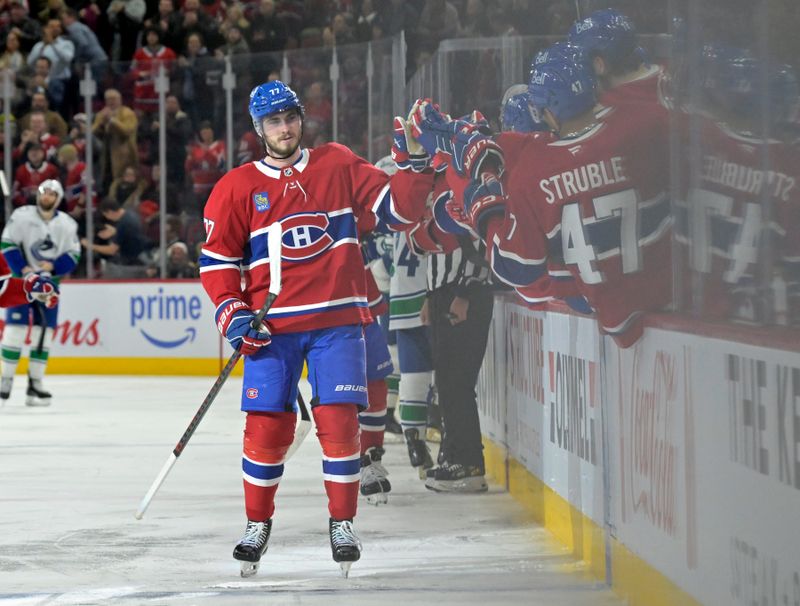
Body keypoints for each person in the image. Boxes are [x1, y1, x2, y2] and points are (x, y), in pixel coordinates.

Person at [198, 80, 431, 577]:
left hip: (337, 321)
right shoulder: (236, 187)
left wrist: (413, 164)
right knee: (266, 427)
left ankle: (342, 522)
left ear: (301, 118)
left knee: (339, 423)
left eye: (291, 117)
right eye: (274, 121)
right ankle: (257, 523)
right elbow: (217, 264)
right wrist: (233, 314)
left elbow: (400, 211)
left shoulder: (338, 162)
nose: (285, 128)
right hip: (272, 328)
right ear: (259, 130)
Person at [411, 52, 672, 347]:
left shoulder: (536, 170)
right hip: (669, 301)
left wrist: (477, 194)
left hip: (588, 301)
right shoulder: (635, 129)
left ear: (547, 108)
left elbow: (518, 269)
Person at [0, 180, 78, 406]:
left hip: (47, 285)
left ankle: (36, 384)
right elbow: (7, 244)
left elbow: (73, 254)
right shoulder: (22, 215)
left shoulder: (67, 224)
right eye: (44, 192)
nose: (47, 196)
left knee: (43, 334)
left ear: (59, 198)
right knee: (14, 330)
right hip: (20, 281)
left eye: (52, 194)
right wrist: (22, 269)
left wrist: (52, 268)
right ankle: (5, 380)